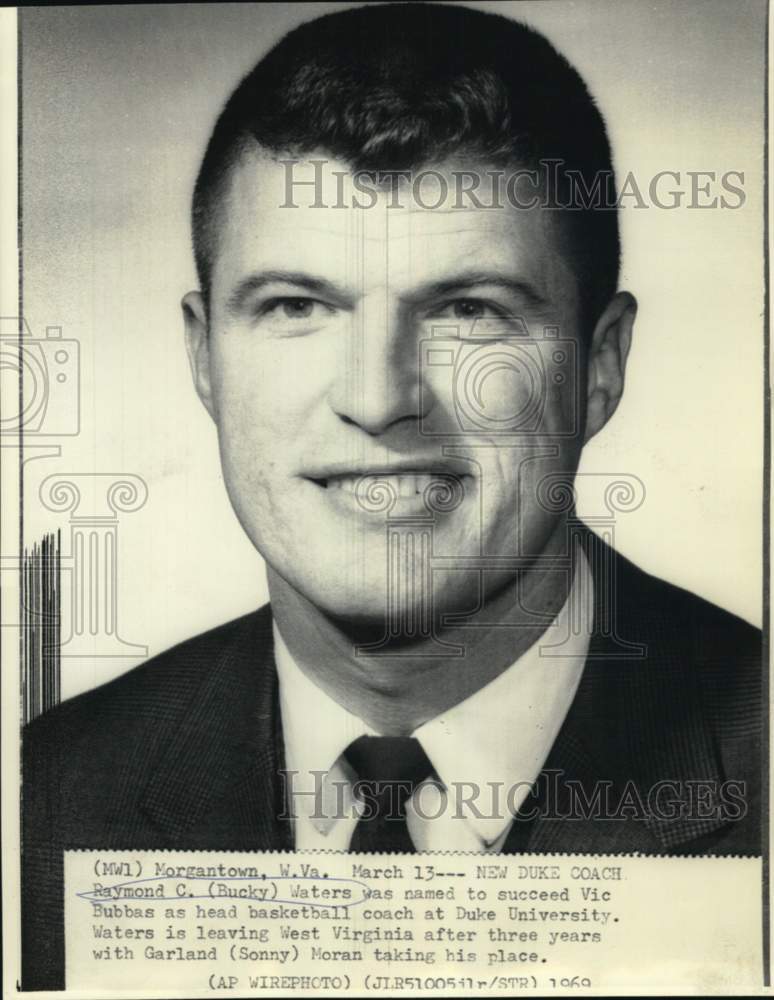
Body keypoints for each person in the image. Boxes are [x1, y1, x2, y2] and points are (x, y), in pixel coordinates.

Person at [22, 3, 761, 988]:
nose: (378, 399)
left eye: (468, 309)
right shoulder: (38, 801)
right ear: (204, 358)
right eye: (297, 306)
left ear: (599, 366)